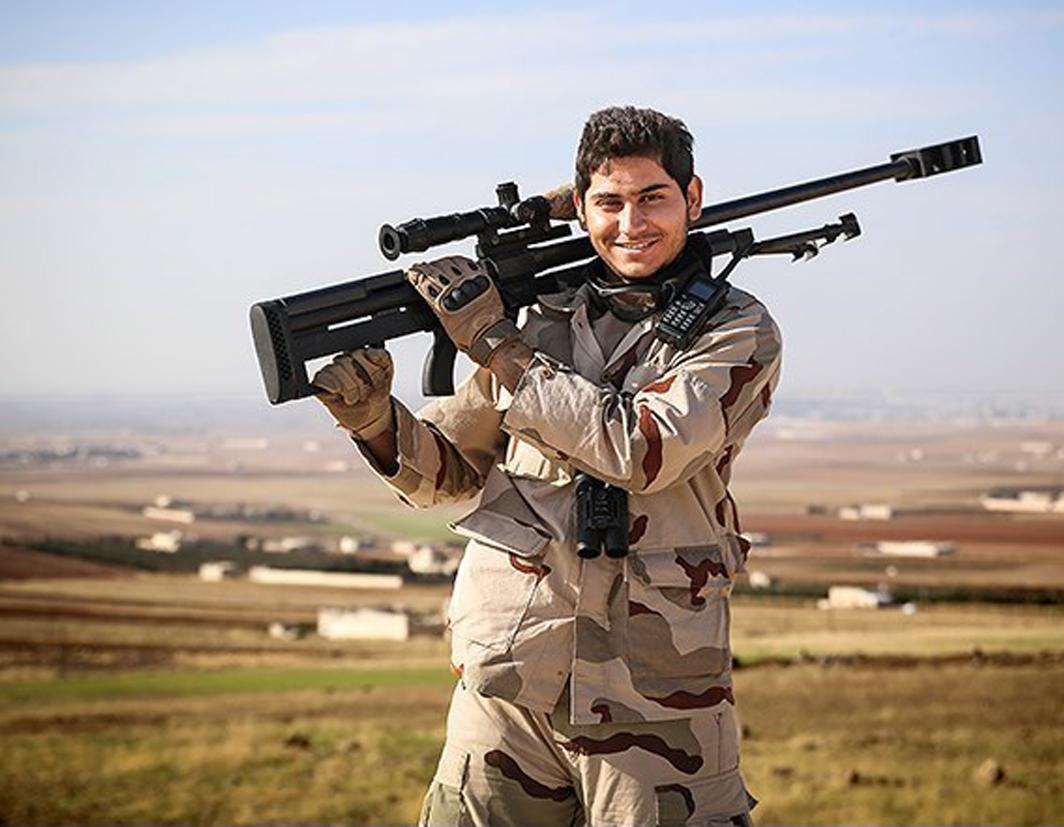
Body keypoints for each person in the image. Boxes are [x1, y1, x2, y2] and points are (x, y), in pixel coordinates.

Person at [313, 106, 781, 827]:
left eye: (652, 198)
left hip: (656, 699)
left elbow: (639, 449)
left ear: (691, 198)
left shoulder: (737, 330)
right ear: (582, 209)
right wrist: (373, 420)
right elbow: (450, 473)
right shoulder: (540, 320)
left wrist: (495, 342)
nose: (631, 223)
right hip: (509, 684)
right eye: (609, 202)